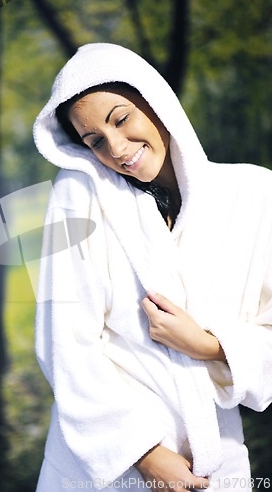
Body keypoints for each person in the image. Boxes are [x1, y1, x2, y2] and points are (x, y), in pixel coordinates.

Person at [33, 43, 272, 491]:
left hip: (214, 460)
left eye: (121, 119)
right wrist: (140, 453)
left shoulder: (256, 195)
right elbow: (62, 343)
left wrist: (208, 345)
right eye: (95, 141)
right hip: (108, 467)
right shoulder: (79, 195)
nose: (117, 148)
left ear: (154, 100)